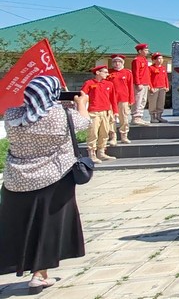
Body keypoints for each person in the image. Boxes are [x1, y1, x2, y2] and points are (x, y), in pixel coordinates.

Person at [0, 76, 88, 294]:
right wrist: (81, 104)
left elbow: (31, 115)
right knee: (48, 227)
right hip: (54, 179)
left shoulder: (12, 115)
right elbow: (84, 123)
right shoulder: (61, 115)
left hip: (16, 180)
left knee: (15, 227)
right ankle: (39, 274)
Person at [81, 65, 116, 162]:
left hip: (106, 111)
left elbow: (113, 99)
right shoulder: (89, 83)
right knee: (93, 133)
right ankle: (91, 154)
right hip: (93, 111)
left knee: (104, 132)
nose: (107, 74)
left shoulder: (109, 84)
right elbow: (83, 95)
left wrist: (115, 112)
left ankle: (101, 152)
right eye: (105, 72)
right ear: (97, 72)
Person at [107, 54, 134, 142]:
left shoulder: (127, 73)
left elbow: (130, 86)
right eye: (115, 62)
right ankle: (113, 137)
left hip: (123, 98)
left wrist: (131, 99)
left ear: (122, 63)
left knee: (124, 118)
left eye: (119, 62)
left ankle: (124, 136)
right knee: (111, 118)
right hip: (111, 99)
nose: (117, 63)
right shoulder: (108, 73)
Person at [131, 43, 151, 125]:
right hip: (140, 83)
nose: (147, 51)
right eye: (145, 50)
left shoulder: (144, 60)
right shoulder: (137, 60)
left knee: (143, 100)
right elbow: (135, 73)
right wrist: (138, 83)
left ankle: (139, 117)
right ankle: (135, 117)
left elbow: (146, 73)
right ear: (140, 51)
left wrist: (148, 83)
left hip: (145, 83)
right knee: (138, 100)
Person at [147, 52, 169, 123]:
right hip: (154, 88)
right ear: (154, 60)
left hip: (162, 88)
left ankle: (159, 116)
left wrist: (167, 86)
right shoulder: (150, 68)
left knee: (161, 103)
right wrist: (151, 87)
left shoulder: (163, 68)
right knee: (153, 103)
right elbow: (148, 78)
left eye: (161, 58)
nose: (160, 60)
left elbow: (165, 78)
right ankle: (153, 117)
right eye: (158, 58)